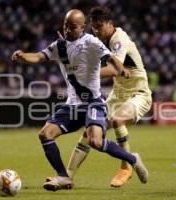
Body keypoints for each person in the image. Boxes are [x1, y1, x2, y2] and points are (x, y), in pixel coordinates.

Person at [11, 9, 148, 192]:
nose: (67, 30)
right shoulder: (58, 46)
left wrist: (121, 69)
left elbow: (111, 59)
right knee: (45, 134)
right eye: (65, 25)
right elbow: (38, 56)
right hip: (73, 105)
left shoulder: (91, 42)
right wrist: (23, 56)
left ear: (82, 27)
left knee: (95, 141)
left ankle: (132, 160)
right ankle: (63, 176)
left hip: (94, 102)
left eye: (72, 26)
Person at [63, 6, 152, 188]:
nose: (96, 31)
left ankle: (127, 166)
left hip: (138, 94)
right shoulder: (99, 42)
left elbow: (114, 68)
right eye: (93, 28)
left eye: (100, 26)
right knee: (88, 133)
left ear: (110, 24)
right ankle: (67, 176)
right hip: (117, 95)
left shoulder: (119, 39)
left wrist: (83, 74)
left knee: (117, 119)